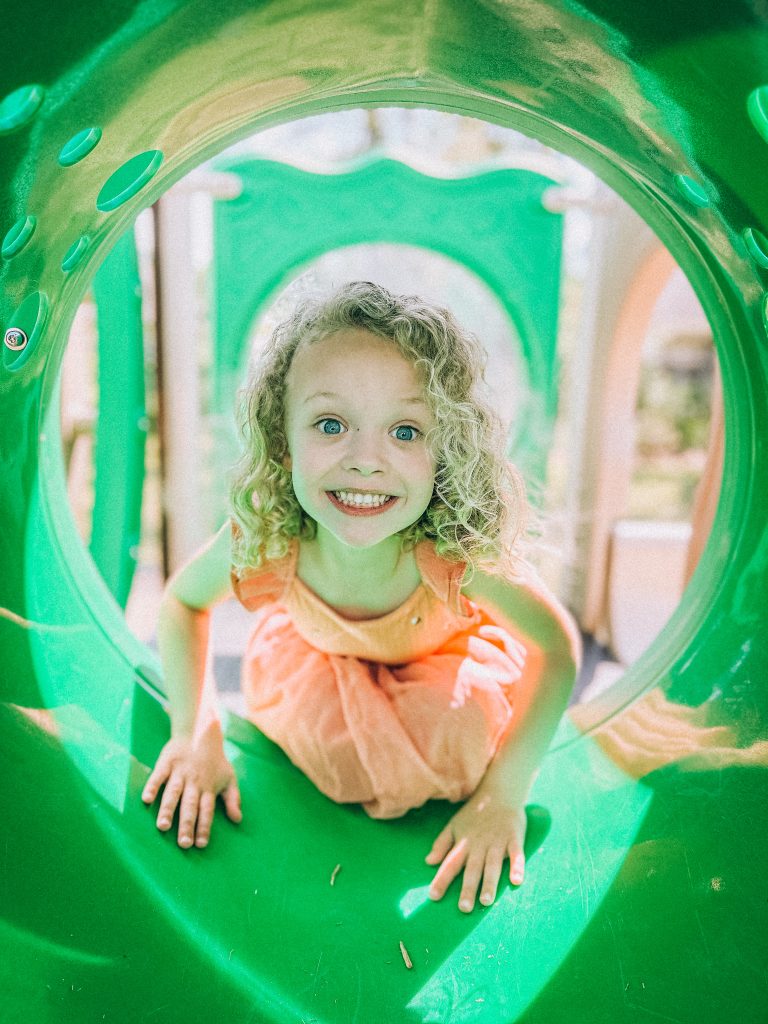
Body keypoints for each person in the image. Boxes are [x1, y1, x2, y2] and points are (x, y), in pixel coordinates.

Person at [141, 281, 580, 913]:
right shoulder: (272, 538)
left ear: (446, 452)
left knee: (459, 725)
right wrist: (195, 728)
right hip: (316, 666)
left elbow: (556, 649)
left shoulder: (446, 553)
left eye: (404, 431)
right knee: (310, 737)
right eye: (330, 424)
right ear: (283, 440)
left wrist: (504, 795)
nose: (366, 461)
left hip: (444, 665)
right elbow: (183, 604)